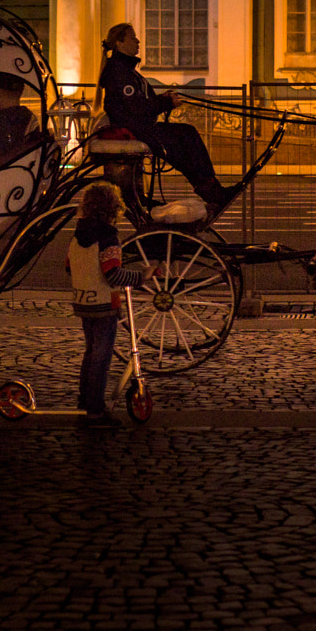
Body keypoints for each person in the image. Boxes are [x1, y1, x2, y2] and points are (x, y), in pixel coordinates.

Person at [98, 22, 229, 208]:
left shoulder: (124, 71)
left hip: (138, 127)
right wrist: (165, 102)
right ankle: (210, 188)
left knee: (186, 136)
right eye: (133, 37)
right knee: (185, 137)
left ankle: (209, 187)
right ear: (120, 43)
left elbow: (138, 102)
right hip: (136, 129)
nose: (138, 41)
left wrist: (164, 100)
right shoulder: (120, 72)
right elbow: (135, 108)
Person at [67, 184, 146, 427]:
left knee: (90, 354)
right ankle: (95, 411)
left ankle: (84, 402)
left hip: (83, 302)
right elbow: (113, 274)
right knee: (101, 358)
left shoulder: (77, 235)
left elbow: (69, 267)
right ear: (114, 209)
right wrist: (141, 276)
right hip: (104, 305)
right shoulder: (109, 238)